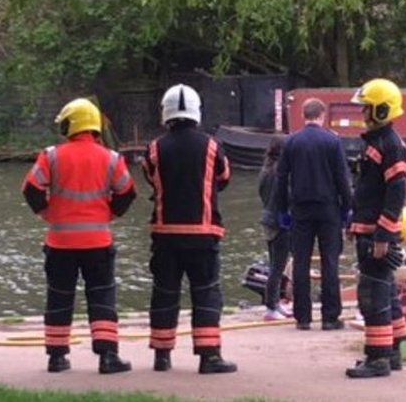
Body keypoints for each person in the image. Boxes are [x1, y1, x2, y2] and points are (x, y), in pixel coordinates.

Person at [22, 98, 136, 374]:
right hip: (98, 243)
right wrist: (110, 215)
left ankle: (57, 358)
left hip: (60, 243)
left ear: (70, 124)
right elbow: (127, 192)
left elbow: (31, 189)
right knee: (102, 297)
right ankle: (108, 356)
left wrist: (47, 214)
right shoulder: (111, 158)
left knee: (59, 297)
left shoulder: (51, 156)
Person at [141, 84, 237, 374]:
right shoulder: (212, 145)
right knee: (206, 293)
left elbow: (149, 176)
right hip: (202, 233)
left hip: (166, 234)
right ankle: (209, 357)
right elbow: (224, 177)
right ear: (196, 111)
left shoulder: (155, 148)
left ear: (166, 113)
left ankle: (161, 356)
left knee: (164, 293)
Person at [345, 78, 406, 379]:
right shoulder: (380, 143)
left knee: (373, 296)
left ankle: (378, 358)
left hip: (377, 233)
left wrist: (383, 234)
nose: (363, 114)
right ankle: (393, 352)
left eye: (367, 109)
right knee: (386, 293)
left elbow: (396, 191)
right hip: (369, 229)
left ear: (382, 110)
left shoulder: (388, 145)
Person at [274, 97, 351, 331]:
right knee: (330, 262)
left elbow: (281, 178)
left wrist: (281, 209)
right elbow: (342, 178)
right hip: (328, 209)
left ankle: (303, 317)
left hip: (300, 209)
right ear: (322, 115)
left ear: (304, 116)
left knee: (300, 262)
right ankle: (330, 317)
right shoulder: (332, 141)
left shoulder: (291, 142)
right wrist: (348, 208)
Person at [258, 134, 292, 321]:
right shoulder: (282, 171)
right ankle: (271, 307)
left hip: (268, 218)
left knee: (274, 264)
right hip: (280, 222)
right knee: (277, 266)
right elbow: (287, 196)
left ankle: (275, 304)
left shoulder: (265, 169)